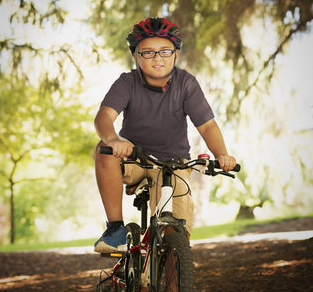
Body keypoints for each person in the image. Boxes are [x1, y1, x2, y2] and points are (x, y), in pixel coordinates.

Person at [93, 17, 237, 254]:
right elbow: (103, 118)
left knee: (177, 236)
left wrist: (221, 154)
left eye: (165, 51)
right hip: (134, 156)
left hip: (172, 162)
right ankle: (115, 228)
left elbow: (208, 126)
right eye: (147, 52)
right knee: (103, 150)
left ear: (176, 55)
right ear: (135, 56)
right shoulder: (127, 82)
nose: (157, 58)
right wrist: (113, 140)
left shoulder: (186, 84)